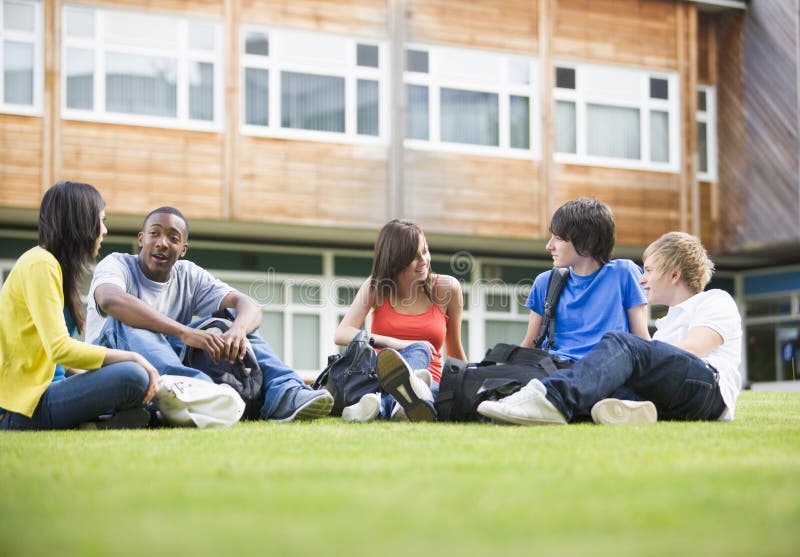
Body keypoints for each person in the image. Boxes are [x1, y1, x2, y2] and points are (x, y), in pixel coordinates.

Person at [85, 206, 333, 423]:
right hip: (112, 363)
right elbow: (110, 300)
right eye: (154, 234)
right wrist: (183, 332)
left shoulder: (188, 274)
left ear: (183, 249)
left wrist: (237, 330)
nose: (162, 242)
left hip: (166, 364)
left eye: (173, 238)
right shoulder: (117, 263)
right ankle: (202, 394)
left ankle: (286, 393)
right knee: (131, 322)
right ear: (141, 239)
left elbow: (249, 306)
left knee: (233, 322)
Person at [478, 232, 742, 425]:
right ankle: (629, 411)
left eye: (648, 270)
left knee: (622, 343)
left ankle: (549, 398)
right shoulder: (666, 324)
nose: (642, 279)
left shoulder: (715, 300)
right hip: (678, 398)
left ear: (674, 275)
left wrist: (634, 355)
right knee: (604, 387)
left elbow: (693, 350)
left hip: (709, 389)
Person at [0, 181, 159, 431]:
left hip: (51, 393)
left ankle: (96, 422)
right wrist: (132, 357)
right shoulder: (40, 264)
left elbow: (62, 365)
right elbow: (60, 350)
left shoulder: (55, 269)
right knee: (133, 375)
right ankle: (98, 421)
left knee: (133, 382)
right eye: (101, 220)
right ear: (81, 222)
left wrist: (100, 380)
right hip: (25, 407)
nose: (104, 230)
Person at [334, 219, 467, 422]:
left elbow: (455, 351)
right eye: (414, 257)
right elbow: (342, 333)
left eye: (425, 251)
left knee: (425, 378)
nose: (424, 260)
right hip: (380, 378)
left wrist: (469, 386)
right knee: (419, 349)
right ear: (395, 260)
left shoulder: (447, 289)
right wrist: (397, 344)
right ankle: (401, 402)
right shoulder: (376, 286)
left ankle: (382, 405)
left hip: (430, 381)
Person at [520, 197, 650, 361]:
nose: (549, 246)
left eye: (558, 238)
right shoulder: (546, 282)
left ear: (586, 241)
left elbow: (642, 341)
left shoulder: (624, 273)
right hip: (553, 372)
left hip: (606, 372)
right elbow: (529, 345)